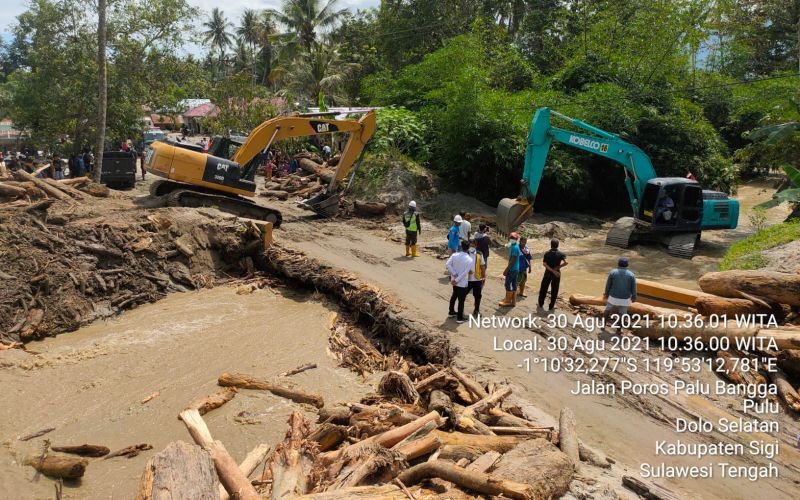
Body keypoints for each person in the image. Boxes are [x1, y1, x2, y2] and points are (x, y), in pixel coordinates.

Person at [603, 257, 637, 330]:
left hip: (613, 296)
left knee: (608, 309)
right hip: (625, 298)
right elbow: (633, 287)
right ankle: (619, 330)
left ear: (618, 264)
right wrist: (634, 296)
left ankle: (603, 326)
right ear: (627, 265)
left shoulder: (613, 272)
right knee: (623, 313)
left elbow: (608, 285)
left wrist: (606, 294)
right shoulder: (631, 275)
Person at [446, 240, 473, 323]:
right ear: (468, 248)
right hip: (461, 282)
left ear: (461, 246)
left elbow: (447, 265)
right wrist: (457, 279)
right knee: (461, 300)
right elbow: (464, 273)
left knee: (454, 296)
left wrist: (454, 275)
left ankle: (451, 312)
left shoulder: (454, 255)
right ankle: (460, 318)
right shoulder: (469, 259)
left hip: (454, 280)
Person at [538, 238, 568, 311]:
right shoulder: (561, 254)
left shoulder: (547, 253)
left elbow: (544, 264)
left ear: (551, 245)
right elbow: (566, 262)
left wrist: (551, 270)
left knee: (543, 288)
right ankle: (551, 306)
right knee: (555, 290)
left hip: (548, 273)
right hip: (557, 274)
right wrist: (557, 267)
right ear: (558, 245)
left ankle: (541, 303)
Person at [499, 232, 521, 307]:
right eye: (511, 238)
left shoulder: (515, 248)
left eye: (513, 238)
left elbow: (512, 261)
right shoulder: (514, 245)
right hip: (516, 268)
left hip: (512, 269)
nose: (511, 239)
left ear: (516, 239)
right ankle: (513, 301)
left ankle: (508, 301)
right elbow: (508, 245)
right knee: (514, 284)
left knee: (507, 284)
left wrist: (506, 270)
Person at [467, 238, 486, 317]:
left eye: (473, 245)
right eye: (470, 244)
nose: (472, 246)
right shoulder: (465, 253)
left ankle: (476, 310)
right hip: (466, 278)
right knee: (462, 294)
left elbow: (482, 266)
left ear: (476, 245)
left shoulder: (479, 254)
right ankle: (458, 311)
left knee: (478, 295)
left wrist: (484, 276)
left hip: (477, 278)